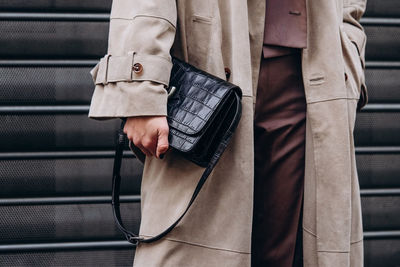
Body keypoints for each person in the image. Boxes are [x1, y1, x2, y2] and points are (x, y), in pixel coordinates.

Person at [88, 0, 367, 266]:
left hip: (310, 78)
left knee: (287, 252)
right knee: (194, 248)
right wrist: (141, 83)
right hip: (210, 68)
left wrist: (348, 52)